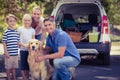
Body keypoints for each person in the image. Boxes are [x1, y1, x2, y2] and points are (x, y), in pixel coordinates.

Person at [17, 14, 35, 80]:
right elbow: (17, 40)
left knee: (28, 64)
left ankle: (27, 76)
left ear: (31, 21)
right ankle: (23, 77)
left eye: (28, 20)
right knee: (23, 63)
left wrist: (31, 48)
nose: (27, 22)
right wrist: (23, 45)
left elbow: (34, 40)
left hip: (30, 50)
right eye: (25, 20)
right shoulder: (20, 29)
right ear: (23, 21)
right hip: (23, 49)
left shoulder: (32, 30)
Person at [2, 14, 20, 80]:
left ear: (15, 22)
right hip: (9, 54)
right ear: (7, 22)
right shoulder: (6, 32)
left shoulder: (16, 32)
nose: (12, 22)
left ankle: (14, 77)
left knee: (14, 67)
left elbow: (18, 42)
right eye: (10, 21)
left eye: (14, 21)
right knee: (8, 67)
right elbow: (4, 43)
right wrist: (6, 52)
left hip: (15, 54)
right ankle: (8, 78)